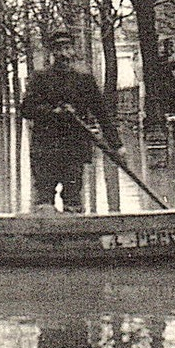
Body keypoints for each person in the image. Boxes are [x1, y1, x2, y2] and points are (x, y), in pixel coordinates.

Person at [18, 29, 123, 214]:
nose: (64, 53)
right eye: (59, 48)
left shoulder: (84, 80)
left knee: (73, 201)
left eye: (67, 48)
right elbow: (26, 109)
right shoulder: (40, 78)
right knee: (44, 201)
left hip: (74, 149)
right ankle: (44, 228)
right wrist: (53, 112)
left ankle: (74, 228)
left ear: (73, 50)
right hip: (46, 149)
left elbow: (102, 114)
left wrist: (117, 145)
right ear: (52, 52)